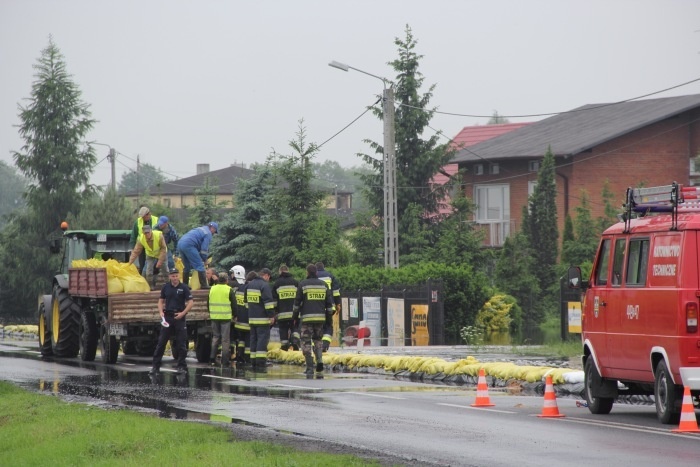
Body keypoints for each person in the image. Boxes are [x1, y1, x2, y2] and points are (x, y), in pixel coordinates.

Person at [293, 263, 334, 378]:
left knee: (306, 342)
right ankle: (319, 359)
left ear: (307, 273)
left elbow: (297, 304)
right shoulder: (324, 285)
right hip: (320, 319)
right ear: (316, 273)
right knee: (318, 340)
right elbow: (329, 305)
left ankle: (310, 367)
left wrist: (295, 317)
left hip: (306, 319)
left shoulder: (303, 284)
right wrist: (329, 320)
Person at [150, 268, 194, 375]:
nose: (174, 278)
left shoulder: (184, 287)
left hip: (180, 317)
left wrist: (183, 313)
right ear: (169, 277)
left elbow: (190, 302)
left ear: (179, 276)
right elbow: (160, 301)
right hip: (168, 317)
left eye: (176, 276)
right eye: (172, 276)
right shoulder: (165, 287)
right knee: (161, 343)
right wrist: (161, 312)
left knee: (181, 344)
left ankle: (182, 367)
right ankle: (155, 367)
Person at [246, 267, 276, 371]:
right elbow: (268, 303)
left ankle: (253, 361)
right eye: (269, 277)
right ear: (266, 275)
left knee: (253, 340)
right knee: (262, 340)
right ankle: (261, 362)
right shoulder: (264, 285)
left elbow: (246, 303)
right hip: (262, 319)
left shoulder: (249, 285)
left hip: (252, 318)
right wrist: (271, 316)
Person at [177, 222, 218, 289]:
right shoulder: (208, 234)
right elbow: (204, 250)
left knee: (186, 267)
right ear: (213, 228)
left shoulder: (200, 229)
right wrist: (204, 260)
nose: (214, 234)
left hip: (180, 243)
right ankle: (204, 285)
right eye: (215, 231)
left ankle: (184, 286)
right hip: (189, 245)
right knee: (200, 266)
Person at [127, 224, 168, 290]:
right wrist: (129, 263)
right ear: (143, 233)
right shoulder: (141, 239)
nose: (147, 234)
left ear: (151, 231)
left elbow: (163, 248)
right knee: (148, 271)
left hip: (161, 253)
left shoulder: (159, 236)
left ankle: (168, 284)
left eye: (148, 232)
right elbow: (136, 251)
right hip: (150, 255)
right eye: (145, 233)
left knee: (165, 269)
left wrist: (160, 261)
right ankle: (150, 287)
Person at [208, 272, 235, 366]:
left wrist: (211, 312)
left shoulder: (212, 288)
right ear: (227, 280)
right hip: (225, 318)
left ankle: (212, 358)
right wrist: (235, 315)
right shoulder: (229, 290)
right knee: (225, 339)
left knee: (215, 337)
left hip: (214, 317)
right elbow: (234, 305)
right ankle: (225, 360)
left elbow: (208, 303)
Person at [271, 263, 298, 351]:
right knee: (295, 327)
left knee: (283, 329)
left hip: (282, 314)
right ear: (288, 271)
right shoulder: (295, 282)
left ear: (280, 272)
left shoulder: (277, 283)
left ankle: (284, 347)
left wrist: (275, 312)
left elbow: (274, 301)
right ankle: (295, 343)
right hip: (294, 313)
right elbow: (299, 298)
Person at [315, 262, 341, 352]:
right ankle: (325, 345)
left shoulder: (313, 277)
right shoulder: (330, 276)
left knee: (317, 326)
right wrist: (338, 304)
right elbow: (336, 292)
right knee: (328, 326)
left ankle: (316, 346)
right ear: (324, 268)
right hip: (330, 307)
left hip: (316, 308)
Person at [233, 269, 254, 367]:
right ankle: (247, 358)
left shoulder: (239, 289)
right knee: (248, 340)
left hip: (239, 320)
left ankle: (240, 356)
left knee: (241, 340)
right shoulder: (251, 289)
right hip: (248, 320)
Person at [129, 206, 157, 274]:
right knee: (142, 264)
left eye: (144, 216)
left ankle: (152, 280)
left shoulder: (156, 220)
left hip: (153, 246)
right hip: (142, 246)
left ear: (149, 214)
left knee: (154, 265)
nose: (143, 218)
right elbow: (134, 235)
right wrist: (132, 248)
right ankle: (143, 278)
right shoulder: (138, 222)